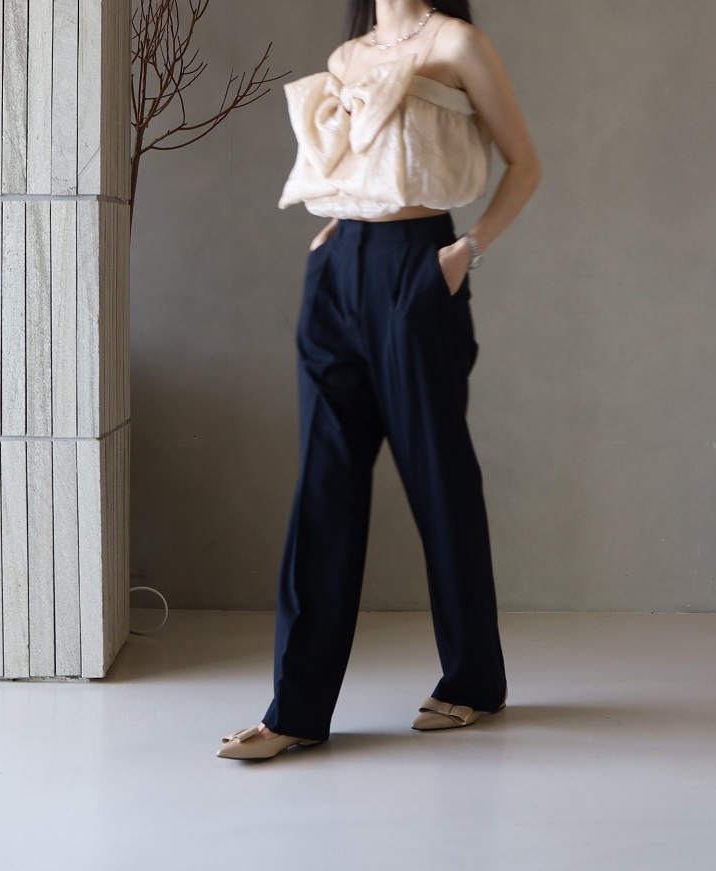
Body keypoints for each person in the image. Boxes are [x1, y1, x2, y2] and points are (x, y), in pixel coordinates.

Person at [218, 0, 541, 760]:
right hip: (338, 272)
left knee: (438, 479)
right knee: (323, 486)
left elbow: (525, 163)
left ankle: (473, 680)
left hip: (416, 270)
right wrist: (336, 227)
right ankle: (294, 711)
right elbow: (354, 160)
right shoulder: (349, 56)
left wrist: (464, 253)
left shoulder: (458, 43)